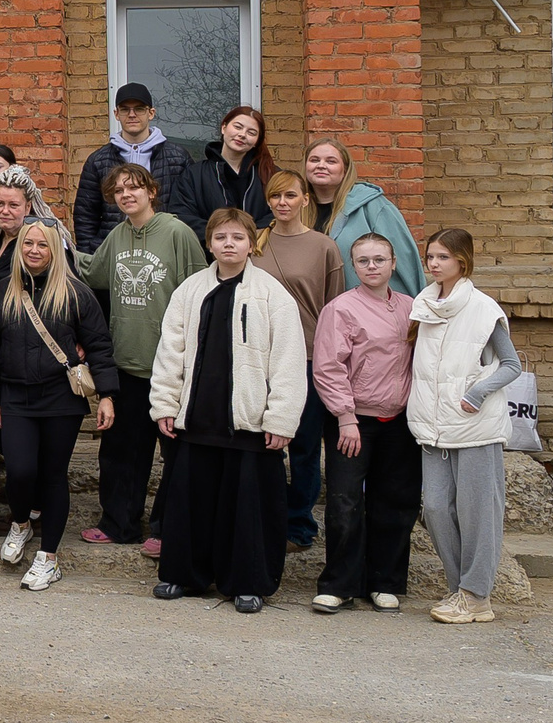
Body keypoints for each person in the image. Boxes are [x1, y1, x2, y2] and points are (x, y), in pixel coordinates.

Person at [150, 210, 308, 613]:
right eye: (220, 237)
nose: (229, 244)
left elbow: (288, 360)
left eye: (238, 237)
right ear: (209, 244)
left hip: (249, 424)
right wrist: (165, 403)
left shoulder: (272, 295)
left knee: (248, 509)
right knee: (192, 503)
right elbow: (170, 352)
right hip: (198, 420)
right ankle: (185, 574)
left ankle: (248, 582)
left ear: (251, 243)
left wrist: (281, 418)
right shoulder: (189, 291)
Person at [0, 219, 116, 592]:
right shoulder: (2, 292)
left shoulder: (75, 293)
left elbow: (99, 345)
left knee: (53, 475)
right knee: (20, 471)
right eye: (28, 244)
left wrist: (106, 395)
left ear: (55, 250)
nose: (34, 250)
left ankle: (49, 558)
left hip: (61, 399)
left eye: (42, 245)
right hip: (15, 397)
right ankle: (21, 523)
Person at [77, 163, 205, 554]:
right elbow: (94, 273)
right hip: (126, 365)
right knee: (119, 453)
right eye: (118, 191)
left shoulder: (177, 233)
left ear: (151, 191)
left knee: (176, 454)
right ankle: (120, 524)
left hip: (170, 368)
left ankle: (167, 529)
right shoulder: (118, 234)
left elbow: (200, 290)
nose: (126, 195)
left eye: (133, 187)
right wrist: (57, 246)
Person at [410, 228, 523, 624]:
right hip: (434, 427)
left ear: (462, 260)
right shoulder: (424, 305)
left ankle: (476, 596)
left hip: (475, 427)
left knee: (478, 513)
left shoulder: (483, 309)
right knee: (436, 509)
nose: (434, 263)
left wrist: (476, 393)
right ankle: (459, 589)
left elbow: (511, 365)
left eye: (442, 257)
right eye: (430, 257)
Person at [311, 234, 419, 614]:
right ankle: (339, 585)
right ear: (353, 265)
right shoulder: (341, 309)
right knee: (344, 501)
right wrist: (345, 417)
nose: (372, 266)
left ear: (393, 263)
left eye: (379, 259)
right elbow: (328, 367)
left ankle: (384, 582)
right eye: (363, 260)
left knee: (395, 502)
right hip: (353, 422)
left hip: (400, 421)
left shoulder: (412, 308)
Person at [252, 170, 349, 550]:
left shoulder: (324, 247)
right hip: (260, 359)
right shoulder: (255, 242)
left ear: (305, 199)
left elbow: (334, 309)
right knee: (263, 444)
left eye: (290, 195)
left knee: (304, 447)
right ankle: (265, 519)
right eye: (275, 196)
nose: (282, 203)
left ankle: (299, 527)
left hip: (307, 358)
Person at [73, 83, 196, 251]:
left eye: (139, 109)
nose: (132, 115)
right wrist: (91, 256)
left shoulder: (177, 157)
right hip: (114, 250)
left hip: (164, 248)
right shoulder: (98, 160)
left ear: (151, 113)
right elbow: (85, 216)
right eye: (125, 109)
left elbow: (188, 209)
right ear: (116, 114)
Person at [304, 139, 422, 296]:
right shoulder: (296, 210)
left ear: (345, 169)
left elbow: (405, 258)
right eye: (314, 160)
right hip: (312, 305)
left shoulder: (373, 205)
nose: (321, 165)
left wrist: (417, 303)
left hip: (368, 306)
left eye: (331, 161)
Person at [185, 105, 272, 233]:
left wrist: (250, 234)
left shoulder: (270, 174)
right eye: (238, 127)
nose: (242, 135)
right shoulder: (194, 175)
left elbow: (280, 212)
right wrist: (219, 236)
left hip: (259, 244)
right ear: (223, 127)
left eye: (251, 133)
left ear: (257, 141)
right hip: (208, 245)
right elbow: (183, 214)